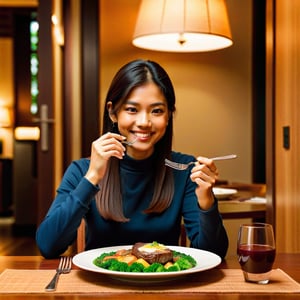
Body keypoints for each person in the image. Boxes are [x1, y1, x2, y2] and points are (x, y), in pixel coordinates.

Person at [36, 59, 229, 259]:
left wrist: (206, 200)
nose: (144, 122)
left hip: (165, 285)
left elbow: (213, 254)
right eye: (132, 109)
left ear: (169, 115)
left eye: (157, 111)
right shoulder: (82, 169)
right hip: (99, 285)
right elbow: (48, 245)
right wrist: (92, 177)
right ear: (113, 112)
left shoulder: (183, 170)